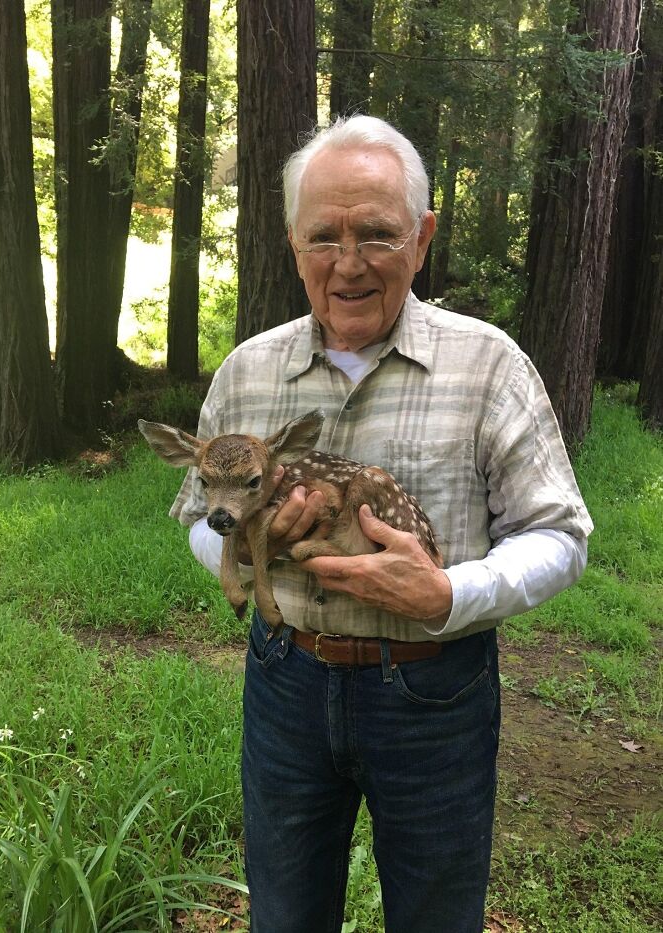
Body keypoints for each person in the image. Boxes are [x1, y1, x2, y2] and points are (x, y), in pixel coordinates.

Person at [170, 115, 593, 933]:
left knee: (436, 915)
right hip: (286, 677)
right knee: (285, 915)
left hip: (434, 689)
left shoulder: (489, 365)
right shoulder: (247, 371)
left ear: (422, 238)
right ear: (293, 244)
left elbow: (560, 534)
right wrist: (248, 553)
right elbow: (198, 516)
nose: (349, 262)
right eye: (324, 237)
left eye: (376, 233)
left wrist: (448, 594)